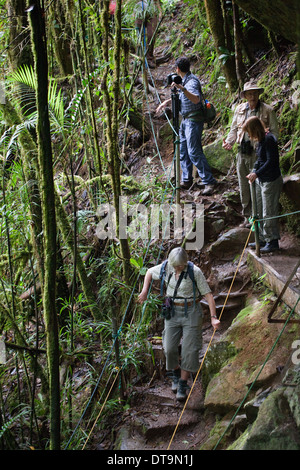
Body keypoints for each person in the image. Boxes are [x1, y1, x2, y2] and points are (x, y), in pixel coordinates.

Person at [138, 247, 220, 401]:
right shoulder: (165, 267)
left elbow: (208, 295)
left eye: (180, 266)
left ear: (185, 262)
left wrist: (213, 317)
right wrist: (144, 290)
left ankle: (182, 382)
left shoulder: (194, 271)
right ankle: (175, 374)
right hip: (172, 312)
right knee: (169, 347)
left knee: (189, 349)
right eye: (175, 266)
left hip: (192, 311)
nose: (177, 268)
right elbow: (149, 272)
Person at [156, 57, 217, 195]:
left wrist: (182, 88)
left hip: (194, 120)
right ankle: (187, 179)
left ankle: (209, 181)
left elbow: (195, 99)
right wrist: (166, 102)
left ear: (177, 69)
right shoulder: (185, 81)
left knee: (194, 151)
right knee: (183, 150)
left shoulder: (191, 82)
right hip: (185, 121)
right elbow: (184, 97)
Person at [222, 81, 279, 226]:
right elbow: (234, 129)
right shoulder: (240, 109)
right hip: (242, 152)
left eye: (255, 93)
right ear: (245, 95)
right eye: (249, 93)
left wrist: (266, 147)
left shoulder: (268, 110)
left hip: (258, 154)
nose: (252, 96)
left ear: (259, 94)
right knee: (244, 186)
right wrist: (229, 141)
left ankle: (258, 215)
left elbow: (275, 133)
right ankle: (248, 217)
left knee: (258, 185)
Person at [243, 116, 283, 253]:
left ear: (254, 129)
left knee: (268, 212)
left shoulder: (269, 139)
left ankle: (272, 241)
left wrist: (257, 173)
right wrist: (254, 171)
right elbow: (260, 160)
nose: (249, 135)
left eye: (249, 132)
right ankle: (261, 238)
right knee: (258, 210)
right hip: (261, 180)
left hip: (271, 181)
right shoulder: (260, 141)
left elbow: (271, 161)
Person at [134, 0, 162, 68]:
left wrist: (159, 10)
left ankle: (149, 58)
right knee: (140, 36)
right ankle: (139, 58)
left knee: (151, 34)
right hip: (139, 9)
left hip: (152, 9)